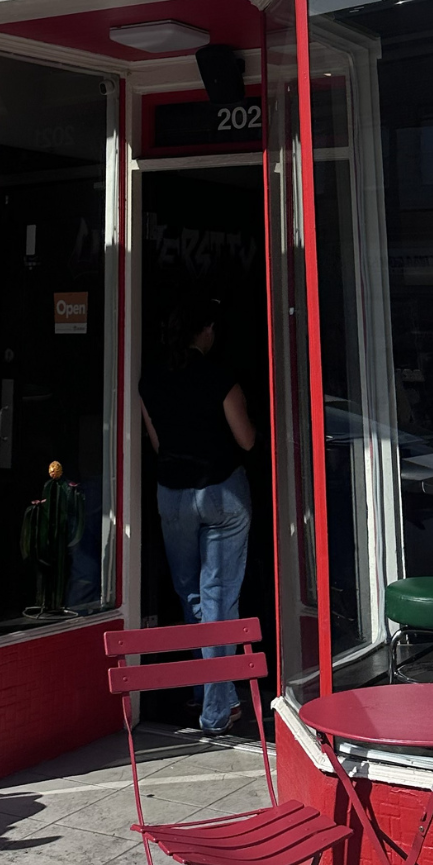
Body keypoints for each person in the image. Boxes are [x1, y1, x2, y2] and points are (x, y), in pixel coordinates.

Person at [139, 290, 256, 736]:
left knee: (193, 597)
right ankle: (215, 709)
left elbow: (157, 443)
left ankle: (209, 695)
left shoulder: (148, 380)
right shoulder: (219, 378)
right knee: (219, 597)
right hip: (222, 494)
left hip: (172, 495)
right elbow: (245, 440)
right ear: (205, 332)